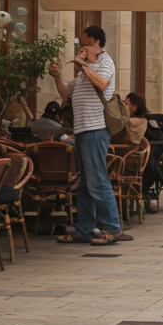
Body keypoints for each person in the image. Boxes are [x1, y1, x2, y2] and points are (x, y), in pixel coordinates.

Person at [49, 25, 129, 246]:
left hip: (96, 129)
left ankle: (112, 228)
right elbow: (67, 92)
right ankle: (84, 230)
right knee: (84, 183)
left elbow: (103, 84)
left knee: (97, 180)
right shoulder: (85, 70)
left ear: (96, 44)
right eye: (80, 45)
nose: (80, 48)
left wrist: (83, 65)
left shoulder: (105, 62)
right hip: (83, 130)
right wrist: (57, 76)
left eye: (84, 44)